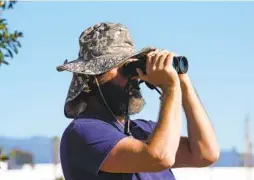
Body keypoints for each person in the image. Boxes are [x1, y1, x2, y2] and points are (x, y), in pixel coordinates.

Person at [56, 22, 220, 180]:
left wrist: (182, 81)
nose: (133, 76)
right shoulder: (82, 132)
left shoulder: (141, 130)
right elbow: (159, 157)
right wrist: (170, 88)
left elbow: (205, 153)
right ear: (93, 76)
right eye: (123, 68)